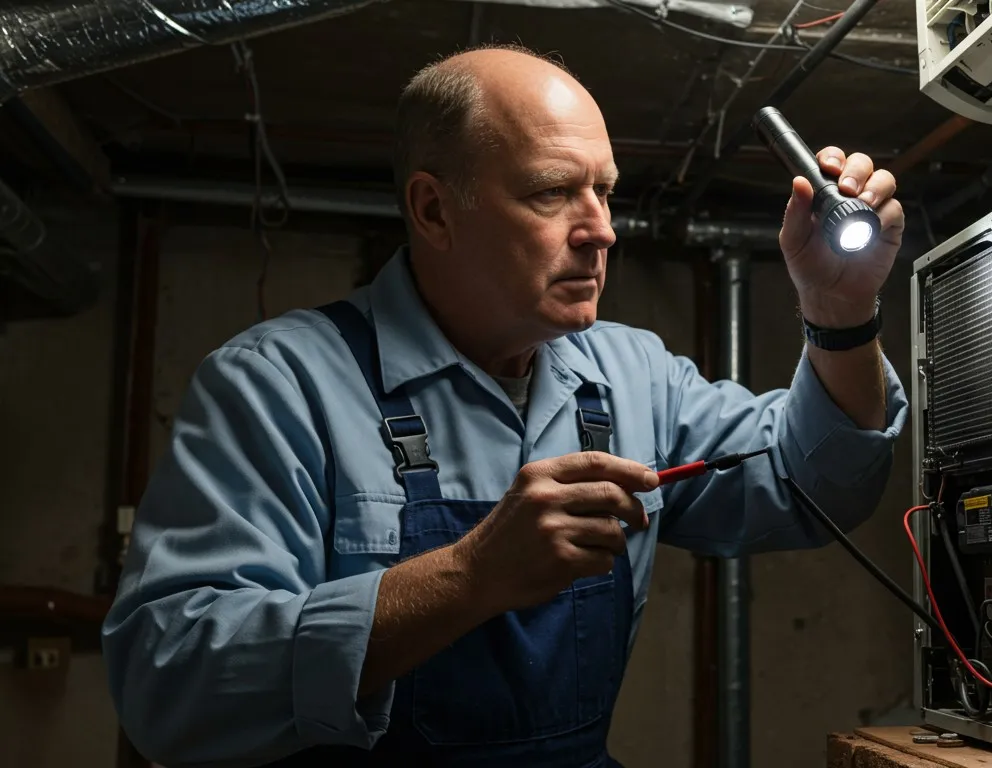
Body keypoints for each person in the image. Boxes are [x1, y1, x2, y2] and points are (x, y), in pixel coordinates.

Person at [102, 43, 909, 768]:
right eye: (553, 191)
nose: (601, 231)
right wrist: (468, 575)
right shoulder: (278, 385)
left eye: (604, 192)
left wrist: (839, 313)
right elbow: (169, 687)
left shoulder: (634, 377)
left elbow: (817, 490)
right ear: (434, 210)